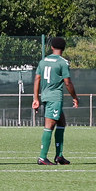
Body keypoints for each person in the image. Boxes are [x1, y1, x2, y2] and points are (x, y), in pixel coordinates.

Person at [32, 37, 79, 166]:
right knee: (49, 126)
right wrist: (74, 97)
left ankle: (59, 156)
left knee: (61, 122)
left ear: (52, 47)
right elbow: (67, 82)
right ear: (64, 49)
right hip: (55, 98)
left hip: (46, 96)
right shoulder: (63, 62)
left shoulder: (43, 61)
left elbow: (37, 79)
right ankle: (42, 157)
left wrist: (36, 98)